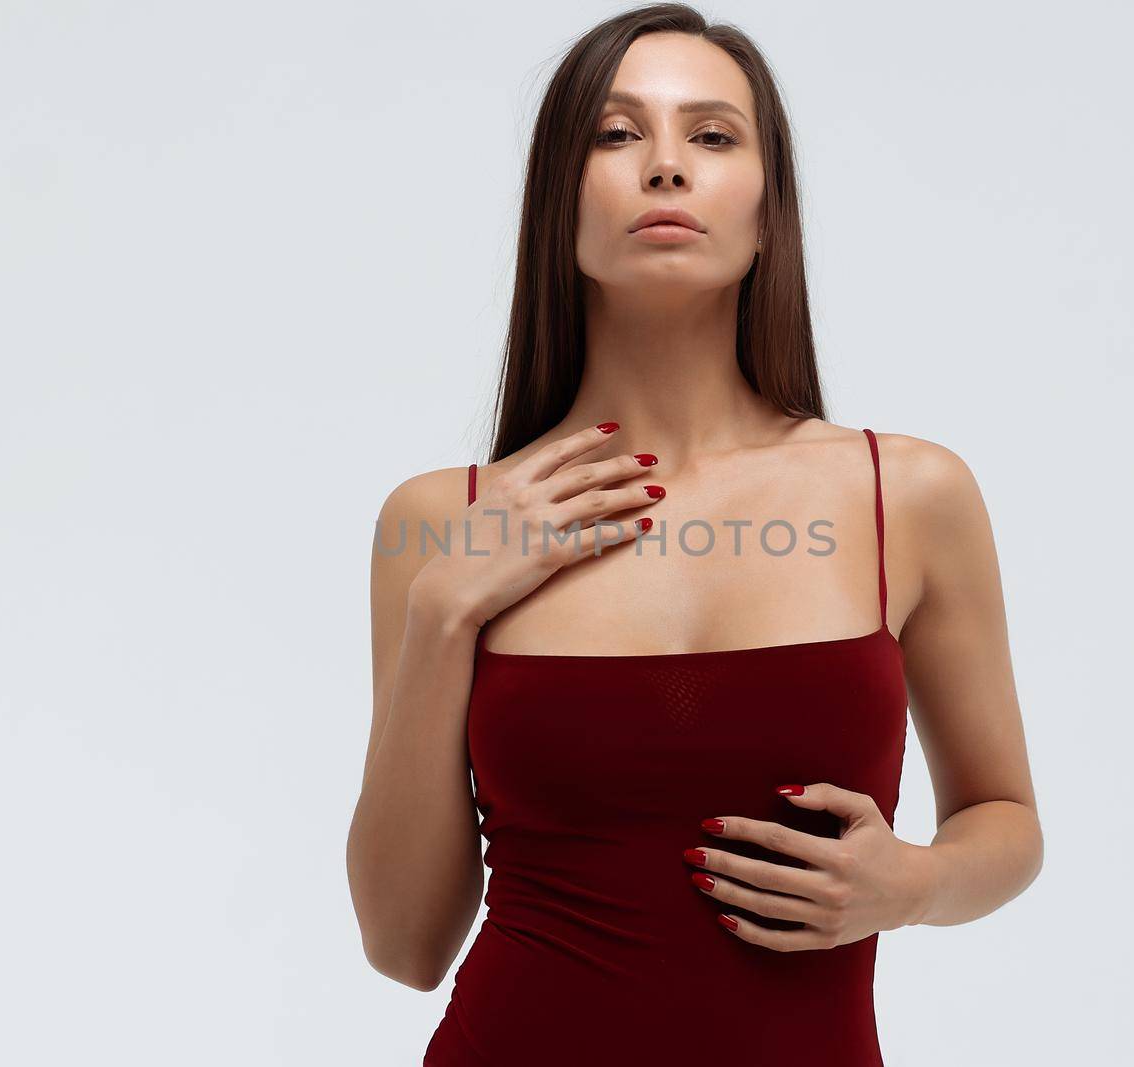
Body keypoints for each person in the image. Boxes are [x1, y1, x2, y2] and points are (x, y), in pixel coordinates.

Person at [347, 5, 1043, 1063]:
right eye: (616, 135)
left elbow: (1003, 815)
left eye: (711, 136)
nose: (664, 166)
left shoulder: (905, 492)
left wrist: (916, 882)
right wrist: (444, 608)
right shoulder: (442, 520)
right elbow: (402, 941)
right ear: (558, 207)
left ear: (770, 214)